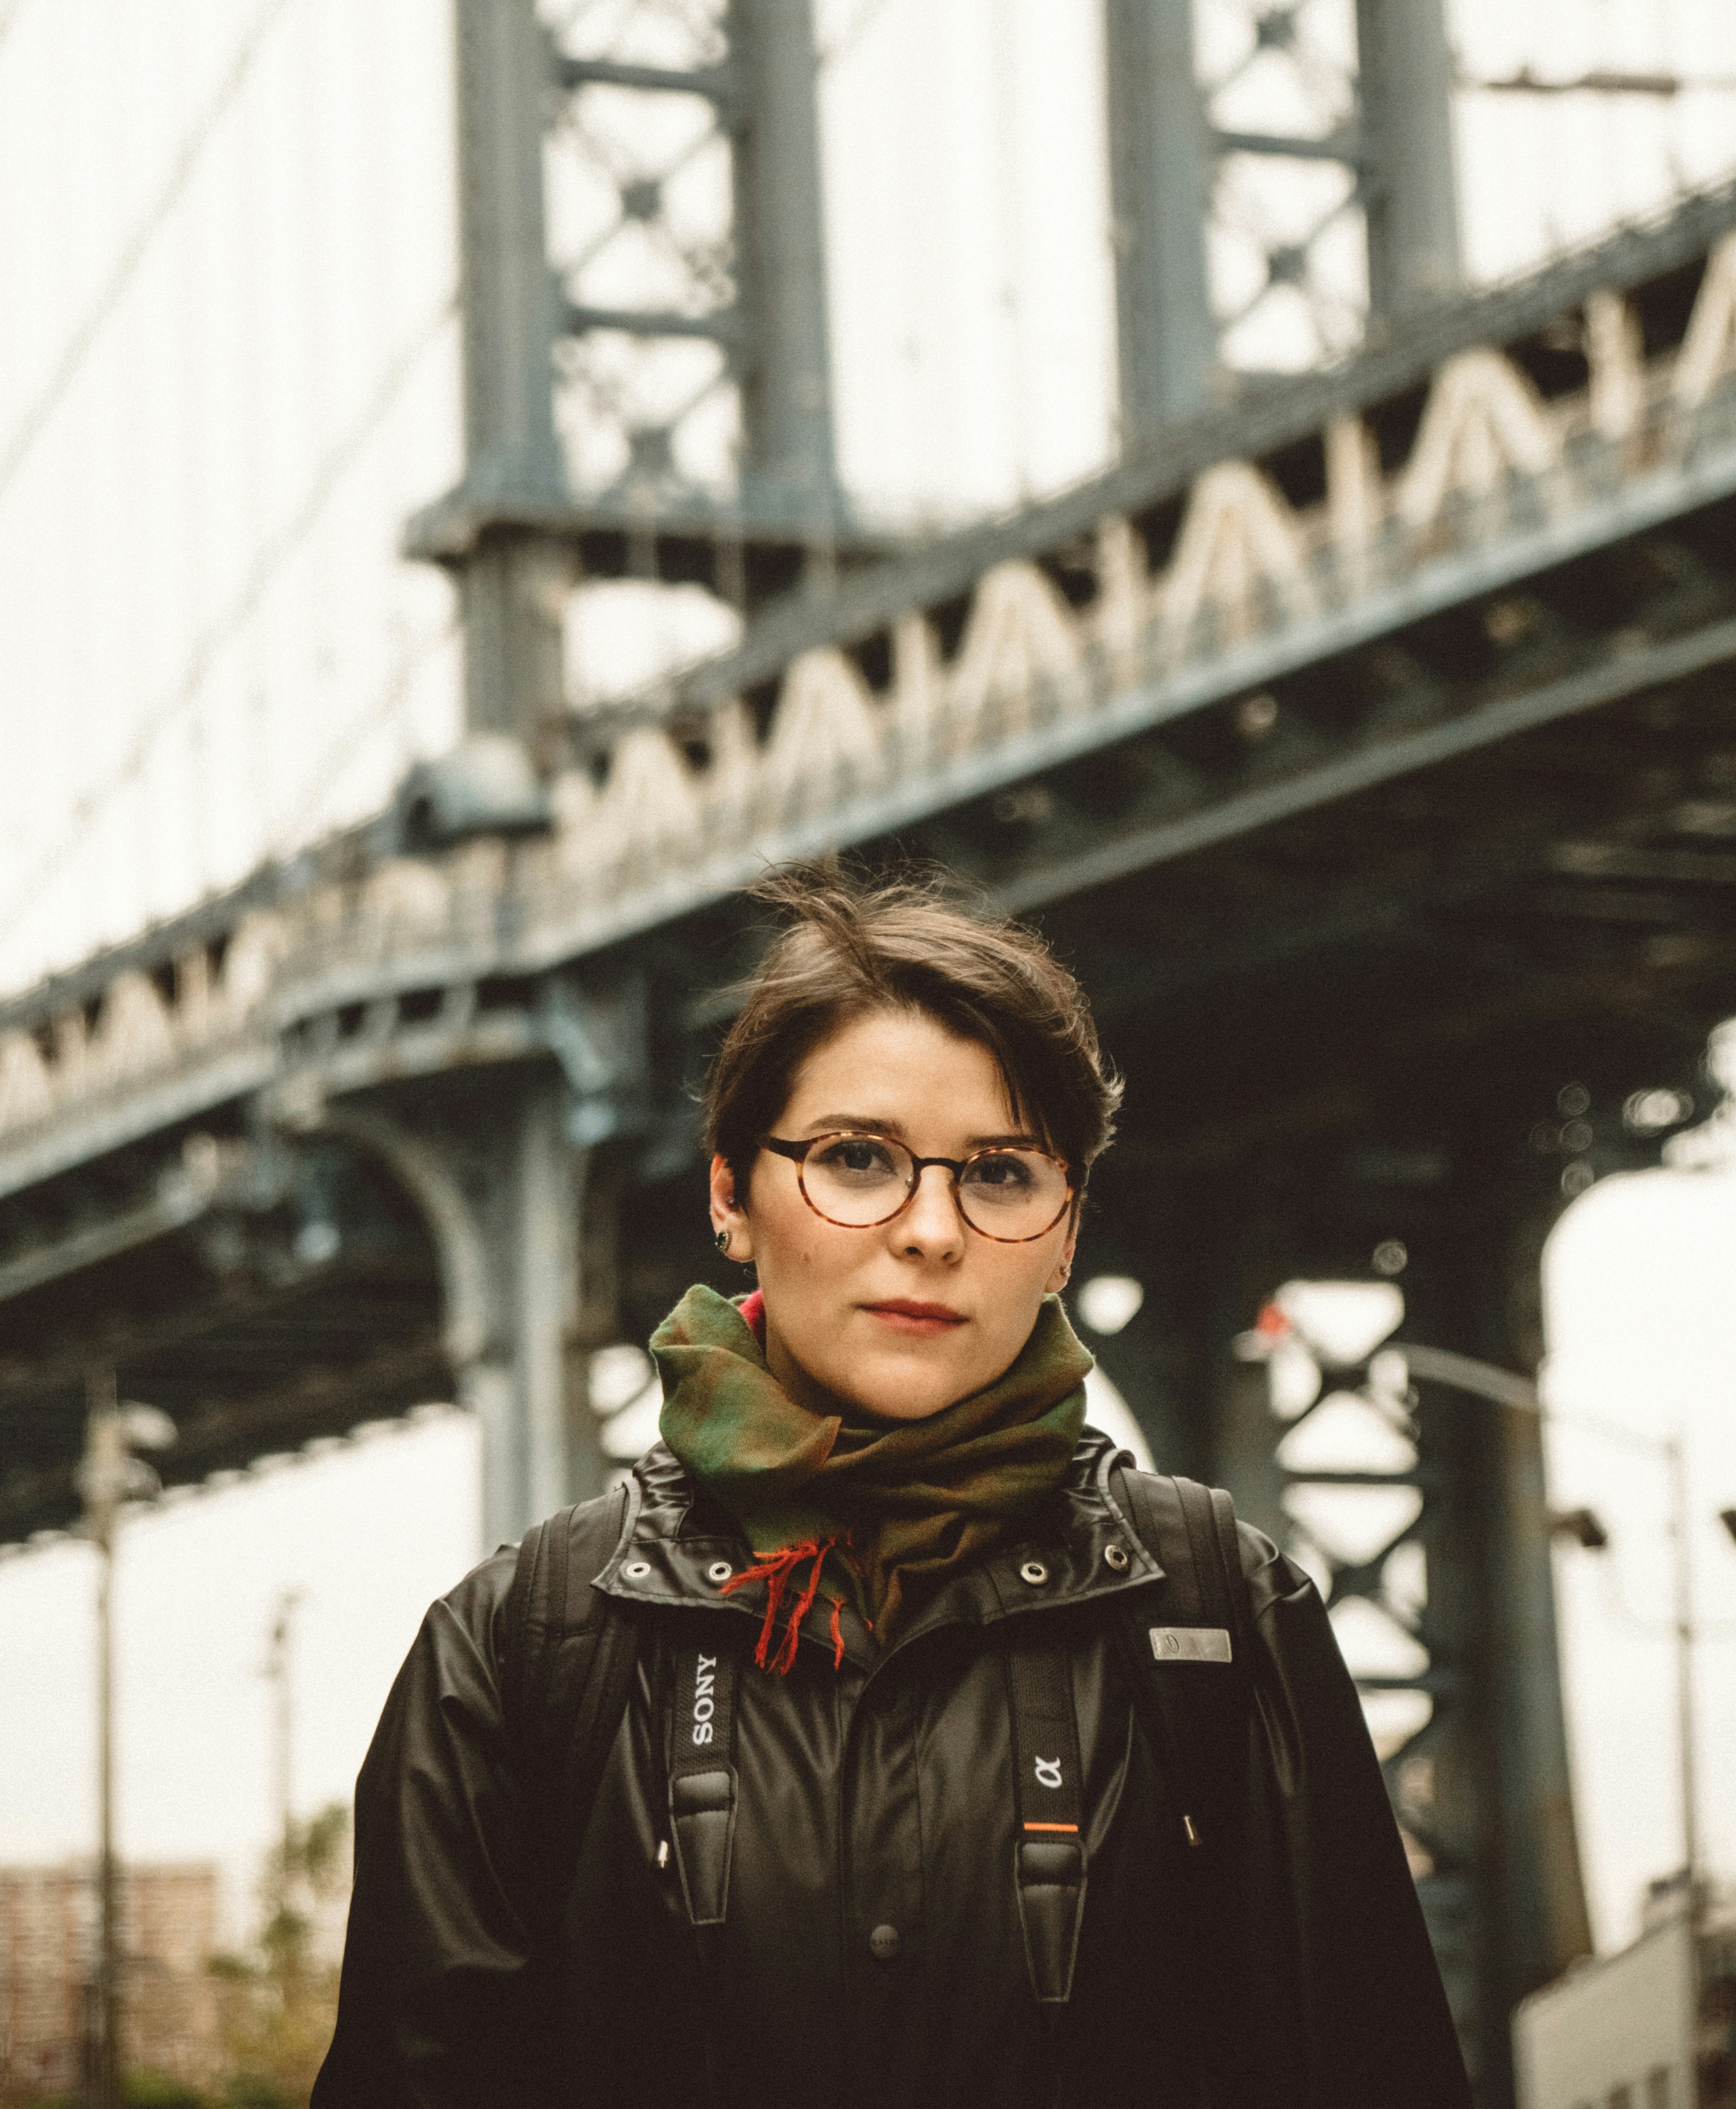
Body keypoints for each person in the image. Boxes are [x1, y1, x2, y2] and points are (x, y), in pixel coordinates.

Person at [313, 861, 1470, 2109]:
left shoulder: (1213, 1617)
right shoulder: (527, 1646)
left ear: (1068, 1232)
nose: (932, 1229)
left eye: (1002, 1173)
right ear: (730, 1196)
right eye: (859, 1160)